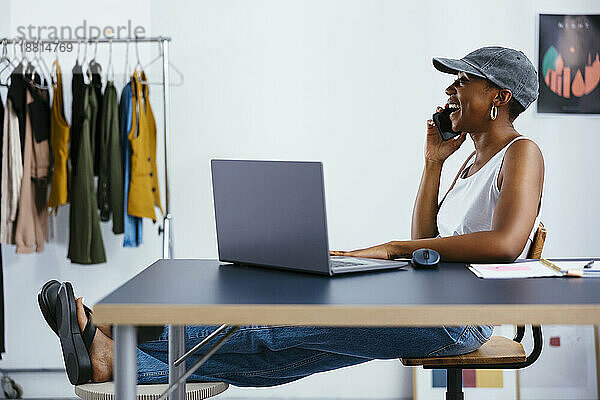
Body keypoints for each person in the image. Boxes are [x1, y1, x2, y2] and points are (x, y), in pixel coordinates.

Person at [41, 46, 543, 386]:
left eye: (463, 82)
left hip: (459, 321)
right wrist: (433, 165)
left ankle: (118, 346)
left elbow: (502, 244)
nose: (451, 91)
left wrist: (392, 250)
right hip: (429, 301)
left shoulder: (522, 153)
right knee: (279, 337)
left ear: (499, 96)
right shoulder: (468, 164)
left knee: (276, 336)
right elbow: (428, 242)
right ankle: (119, 344)